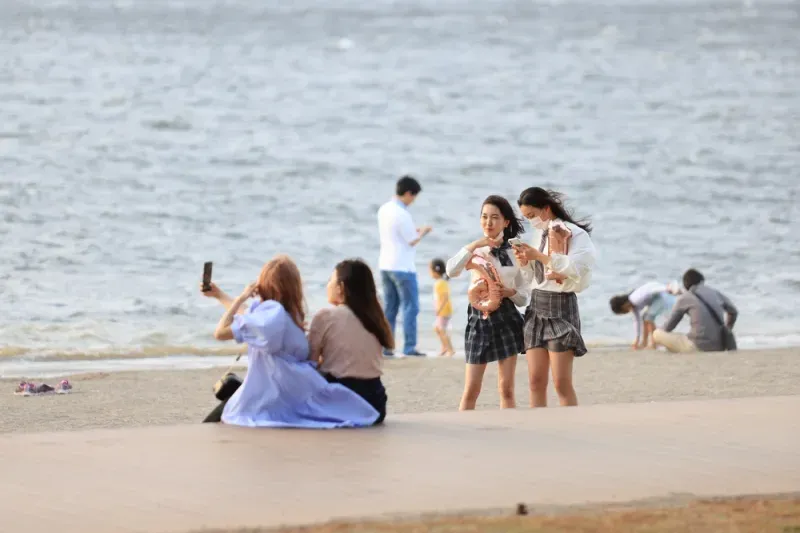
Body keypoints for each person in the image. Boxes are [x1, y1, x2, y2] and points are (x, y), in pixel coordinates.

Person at [200, 255, 380, 427]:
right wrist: (219, 295)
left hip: (277, 396)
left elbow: (220, 332)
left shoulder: (274, 316)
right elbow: (250, 318)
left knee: (230, 407)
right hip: (300, 390)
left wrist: (242, 296)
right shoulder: (288, 318)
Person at [512, 187, 596, 408]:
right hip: (537, 306)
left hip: (561, 306)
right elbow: (534, 279)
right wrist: (525, 263)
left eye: (532, 216)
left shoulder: (575, 234)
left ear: (546, 209)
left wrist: (538, 256)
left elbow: (577, 268)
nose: (531, 222)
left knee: (561, 383)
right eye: (526, 218)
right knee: (535, 381)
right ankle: (538, 430)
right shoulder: (540, 233)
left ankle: (570, 425)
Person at [446, 195, 529, 410]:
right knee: (472, 388)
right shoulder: (474, 250)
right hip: (479, 320)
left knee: (506, 388)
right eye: (484, 217)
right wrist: (475, 244)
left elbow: (523, 296)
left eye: (494, 217)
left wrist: (510, 292)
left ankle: (511, 432)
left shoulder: (515, 252)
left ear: (506, 222)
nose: (488, 223)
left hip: (507, 317)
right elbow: (451, 271)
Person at [308, 259, 392, 424]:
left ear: (341, 287)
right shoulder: (375, 317)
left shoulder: (325, 317)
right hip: (375, 403)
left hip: (340, 399)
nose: (327, 286)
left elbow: (309, 363)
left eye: (330, 281)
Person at [377, 175, 432, 356]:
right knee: (411, 307)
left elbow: (398, 234)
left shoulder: (384, 209)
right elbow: (412, 240)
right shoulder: (402, 213)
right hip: (402, 266)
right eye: (413, 197)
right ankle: (409, 347)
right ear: (408, 193)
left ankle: (386, 346)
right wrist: (423, 231)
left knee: (390, 307)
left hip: (385, 263)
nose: (413, 201)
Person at [653, 269, 738, 353]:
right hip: (719, 347)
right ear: (702, 281)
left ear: (685, 285)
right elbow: (733, 311)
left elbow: (669, 327)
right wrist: (727, 328)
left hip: (697, 347)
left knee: (657, 333)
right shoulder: (715, 293)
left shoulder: (685, 297)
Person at [609, 282, 679, 350]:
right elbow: (637, 322)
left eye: (623, 312)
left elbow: (650, 291)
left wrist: (666, 289)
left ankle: (654, 343)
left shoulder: (635, 298)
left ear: (623, 306)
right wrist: (637, 339)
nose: (626, 313)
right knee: (644, 318)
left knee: (648, 318)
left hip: (661, 296)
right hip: (656, 297)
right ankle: (644, 343)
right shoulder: (633, 306)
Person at [430, 258, 455, 357]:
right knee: (437, 328)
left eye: (430, 271)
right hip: (442, 310)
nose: (430, 273)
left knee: (441, 329)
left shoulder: (441, 283)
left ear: (436, 271)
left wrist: (439, 309)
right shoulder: (440, 282)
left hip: (444, 311)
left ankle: (450, 349)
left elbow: (444, 298)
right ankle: (445, 347)